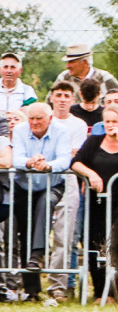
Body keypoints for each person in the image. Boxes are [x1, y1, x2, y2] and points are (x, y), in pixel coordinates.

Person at [71, 106, 118, 305]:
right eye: (107, 122)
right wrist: (91, 174)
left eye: (115, 122)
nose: (110, 126)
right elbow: (75, 162)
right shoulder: (93, 142)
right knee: (94, 245)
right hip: (97, 203)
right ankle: (102, 293)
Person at [11, 103, 72, 301]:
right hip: (23, 186)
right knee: (25, 233)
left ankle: (37, 254)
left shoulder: (62, 131)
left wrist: (48, 165)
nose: (35, 123)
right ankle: (32, 291)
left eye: (39, 119)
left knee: (46, 203)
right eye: (32, 118)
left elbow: (64, 161)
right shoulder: (20, 130)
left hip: (51, 184)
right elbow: (16, 159)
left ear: (50, 119)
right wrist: (30, 162)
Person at [44, 81, 90, 304]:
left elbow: (73, 155)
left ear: (72, 100)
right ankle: (22, 283)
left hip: (67, 179)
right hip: (39, 178)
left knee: (65, 235)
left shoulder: (78, 124)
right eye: (58, 94)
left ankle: (58, 284)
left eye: (66, 95)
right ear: (51, 97)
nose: (62, 99)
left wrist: (50, 157)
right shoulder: (42, 119)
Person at [53, 44, 118, 96]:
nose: (67, 66)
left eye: (71, 62)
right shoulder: (64, 78)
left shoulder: (104, 78)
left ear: (85, 62)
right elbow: (49, 102)